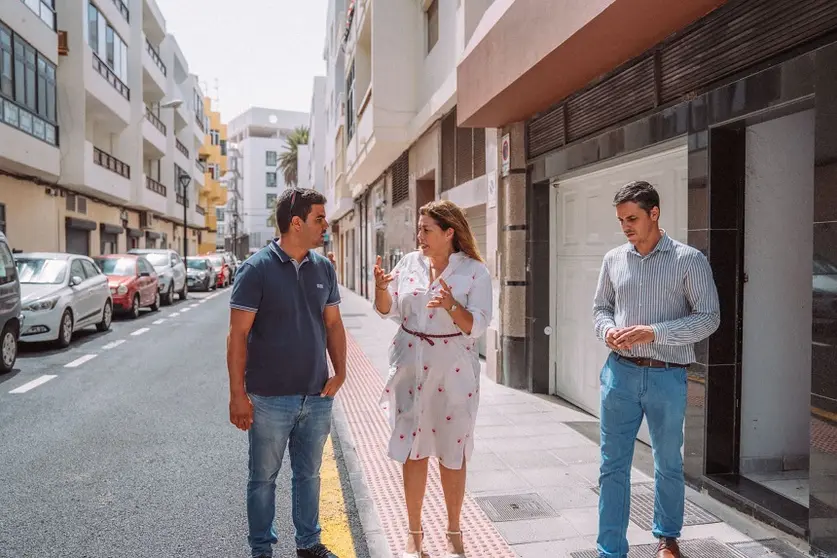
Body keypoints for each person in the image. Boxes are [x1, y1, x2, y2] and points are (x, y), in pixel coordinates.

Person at [592, 181, 720, 558]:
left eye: (632, 218)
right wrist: (607, 331)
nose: (626, 226)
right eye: (620, 220)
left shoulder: (689, 260)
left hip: (668, 375)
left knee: (667, 462)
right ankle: (610, 549)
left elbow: (709, 318)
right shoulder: (614, 259)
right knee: (612, 465)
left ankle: (667, 537)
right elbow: (600, 308)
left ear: (654, 214)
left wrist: (655, 332)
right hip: (619, 374)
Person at [227, 187, 347, 558]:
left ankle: (308, 545)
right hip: (268, 399)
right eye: (319, 219)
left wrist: (340, 373)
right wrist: (237, 395)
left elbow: (334, 325)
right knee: (263, 479)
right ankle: (262, 549)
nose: (326, 225)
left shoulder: (323, 267)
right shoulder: (256, 269)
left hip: (316, 396)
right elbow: (238, 335)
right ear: (296, 223)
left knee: (309, 477)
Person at [373, 200, 493, 558]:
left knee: (452, 451)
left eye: (426, 229)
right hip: (411, 366)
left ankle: (454, 532)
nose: (419, 236)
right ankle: (414, 533)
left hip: (453, 370)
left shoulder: (474, 272)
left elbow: (478, 326)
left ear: (449, 233)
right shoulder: (409, 263)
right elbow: (386, 309)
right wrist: (381, 288)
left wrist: (452, 305)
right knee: (413, 448)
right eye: (419, 229)